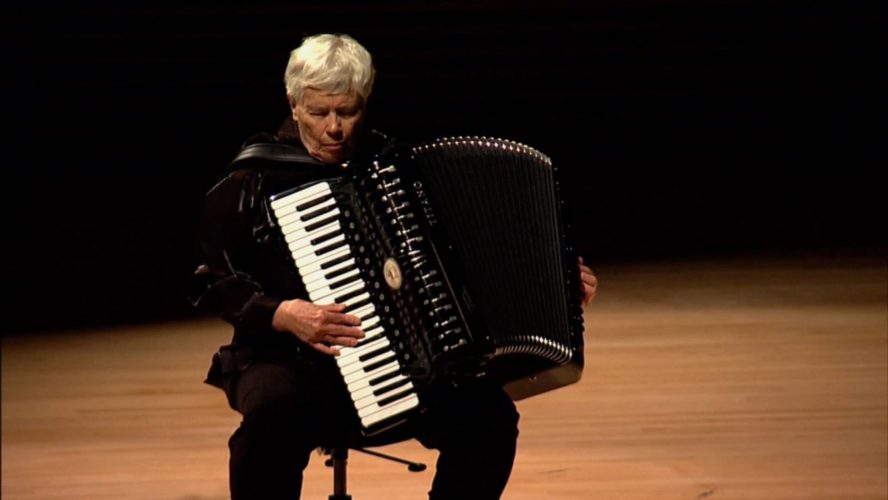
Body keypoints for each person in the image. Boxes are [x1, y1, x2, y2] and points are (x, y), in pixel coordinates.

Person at [190, 33, 599, 500]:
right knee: (271, 422)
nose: (335, 128)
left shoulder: (394, 166)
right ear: (293, 102)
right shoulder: (251, 178)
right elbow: (213, 280)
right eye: (319, 112)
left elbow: (463, 260)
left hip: (407, 361)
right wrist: (282, 313)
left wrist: (556, 282)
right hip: (288, 357)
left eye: (347, 111)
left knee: (491, 420)